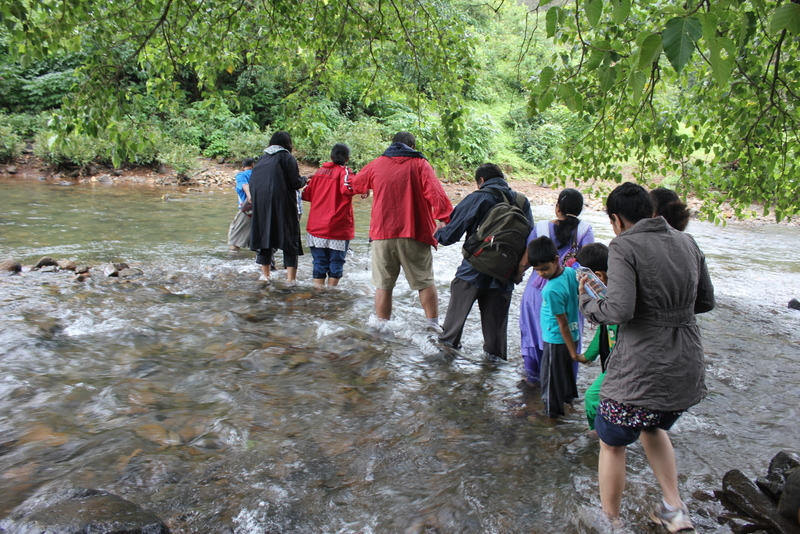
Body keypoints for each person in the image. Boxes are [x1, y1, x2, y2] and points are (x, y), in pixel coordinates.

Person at [579, 182, 714, 531]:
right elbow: (705, 302)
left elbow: (620, 310)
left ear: (615, 219)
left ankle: (609, 520)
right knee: (651, 424)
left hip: (642, 367)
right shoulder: (688, 242)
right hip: (685, 362)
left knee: (610, 441)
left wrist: (589, 303)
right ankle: (674, 507)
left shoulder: (624, 245)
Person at [349, 132, 453, 326]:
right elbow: (435, 193)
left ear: (393, 145)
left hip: (382, 234)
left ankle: (382, 328)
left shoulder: (376, 164)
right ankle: (432, 326)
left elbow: (355, 184)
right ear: (412, 147)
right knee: (424, 282)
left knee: (383, 286)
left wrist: (367, 188)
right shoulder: (421, 164)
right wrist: (444, 218)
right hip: (415, 232)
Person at [434, 163, 533, 360]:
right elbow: (530, 240)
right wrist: (518, 272)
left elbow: (450, 236)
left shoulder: (478, 197)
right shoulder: (522, 201)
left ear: (481, 181)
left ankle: (444, 372)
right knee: (496, 345)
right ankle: (493, 378)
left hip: (473, 271)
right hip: (504, 275)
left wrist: (439, 231)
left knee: (449, 336)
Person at [518, 188, 594, 385]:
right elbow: (588, 265)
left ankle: (535, 382)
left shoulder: (541, 228)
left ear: (557, 206)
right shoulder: (585, 230)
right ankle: (565, 386)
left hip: (536, 292)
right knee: (568, 331)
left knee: (535, 334)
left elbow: (525, 262)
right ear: (580, 209)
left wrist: (514, 275)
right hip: (570, 291)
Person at [527, 236, 581, 418]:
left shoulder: (550, 290)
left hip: (556, 339)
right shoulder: (570, 274)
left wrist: (574, 353)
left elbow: (562, 323)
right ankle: (568, 405)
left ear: (556, 260)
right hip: (572, 335)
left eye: (545, 268)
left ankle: (552, 417)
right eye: (536, 270)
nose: (541, 274)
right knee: (565, 376)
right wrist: (572, 349)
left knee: (550, 381)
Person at [249, 131, 307, 285]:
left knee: (265, 238)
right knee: (289, 237)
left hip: (261, 205)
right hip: (283, 205)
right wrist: (306, 179)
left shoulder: (262, 158)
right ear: (287, 143)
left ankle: (266, 276)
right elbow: (295, 183)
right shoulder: (287, 157)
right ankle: (290, 279)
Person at [302, 143, 358, 288]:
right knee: (336, 263)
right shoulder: (345, 171)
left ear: (331, 157)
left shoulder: (319, 172)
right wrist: (362, 186)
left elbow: (307, 195)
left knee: (319, 262)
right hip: (338, 228)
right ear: (347, 159)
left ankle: (319, 293)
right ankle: (332, 296)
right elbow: (348, 189)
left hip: (316, 228)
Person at [573, 243, 616, 431]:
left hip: (622, 363)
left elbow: (607, 328)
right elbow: (603, 330)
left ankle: (598, 436)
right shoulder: (619, 292)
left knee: (592, 397)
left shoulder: (614, 302)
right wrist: (588, 356)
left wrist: (583, 294)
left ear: (597, 277)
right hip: (619, 361)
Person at [227, 158, 255, 252]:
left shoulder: (241, 175)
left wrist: (249, 196)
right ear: (253, 165)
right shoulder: (262, 175)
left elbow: (245, 185)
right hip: (263, 210)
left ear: (243, 167)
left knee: (234, 240)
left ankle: (234, 262)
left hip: (248, 210)